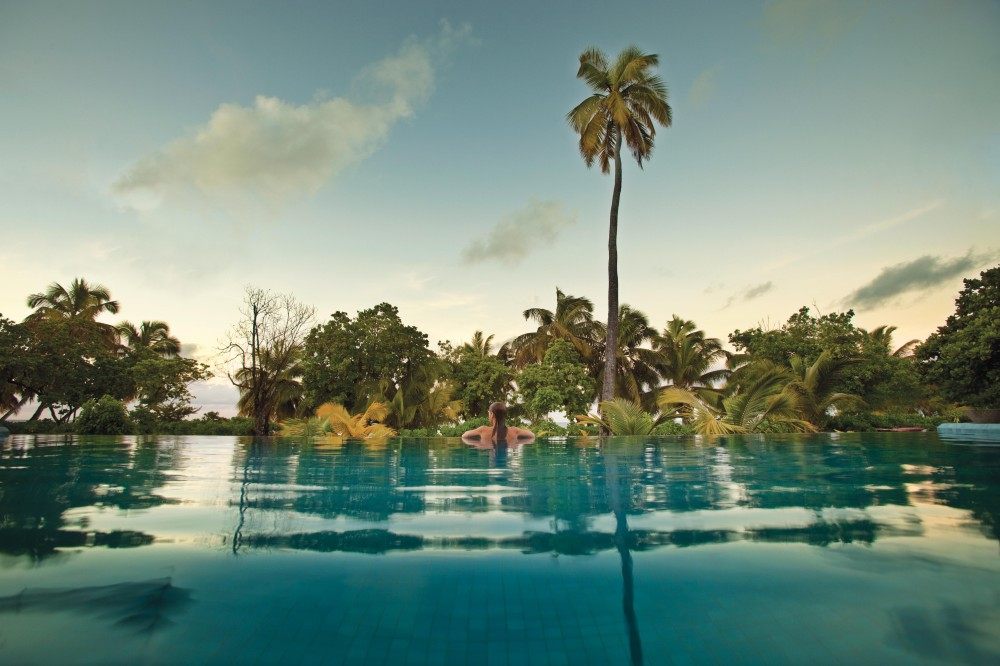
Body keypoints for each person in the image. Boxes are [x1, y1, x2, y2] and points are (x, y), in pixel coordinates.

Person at [462, 402, 534, 444]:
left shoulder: (483, 430)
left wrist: (478, 444)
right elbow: (532, 435)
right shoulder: (514, 431)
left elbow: (464, 436)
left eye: (489, 413)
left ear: (492, 414)